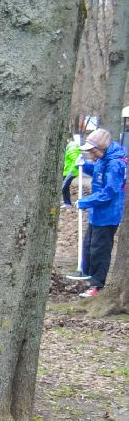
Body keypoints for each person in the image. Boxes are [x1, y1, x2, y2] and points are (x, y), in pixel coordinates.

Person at [77, 126, 125, 298]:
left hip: (108, 215)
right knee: (89, 246)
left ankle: (97, 285)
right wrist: (84, 166)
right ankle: (88, 276)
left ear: (101, 148)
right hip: (97, 214)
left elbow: (109, 192)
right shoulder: (103, 160)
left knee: (100, 250)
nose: (91, 155)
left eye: (92, 151)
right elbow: (98, 173)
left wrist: (85, 202)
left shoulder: (115, 164)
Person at [62, 133, 82, 208]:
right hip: (68, 171)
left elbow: (76, 161)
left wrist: (71, 171)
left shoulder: (72, 148)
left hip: (70, 172)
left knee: (63, 186)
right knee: (65, 187)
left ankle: (67, 203)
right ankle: (67, 203)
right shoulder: (70, 147)